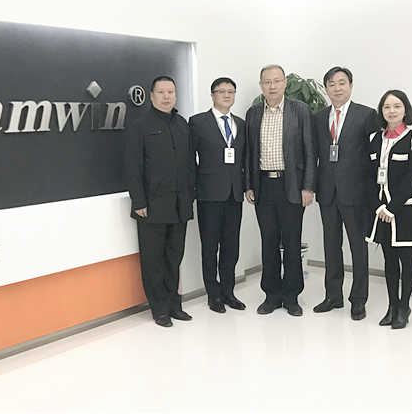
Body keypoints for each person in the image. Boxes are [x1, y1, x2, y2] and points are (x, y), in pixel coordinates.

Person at [244, 65, 316, 317]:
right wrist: (249, 184)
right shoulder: (253, 112)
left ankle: (292, 296)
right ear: (261, 85)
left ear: (285, 83)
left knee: (292, 242)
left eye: (277, 81)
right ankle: (271, 295)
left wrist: (308, 186)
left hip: (292, 185)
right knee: (269, 242)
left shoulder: (300, 110)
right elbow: (249, 152)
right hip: (264, 185)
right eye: (267, 82)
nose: (272, 86)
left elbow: (310, 151)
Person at [125, 76, 195, 328]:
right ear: (152, 96)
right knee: (153, 261)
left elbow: (190, 164)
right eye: (161, 92)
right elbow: (133, 167)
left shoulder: (182, 124)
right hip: (152, 206)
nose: (166, 97)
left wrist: (190, 197)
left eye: (170, 92)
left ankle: (175, 304)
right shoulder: (141, 126)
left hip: (179, 205)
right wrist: (138, 201)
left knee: (174, 258)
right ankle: (159, 309)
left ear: (176, 95)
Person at [312, 67, 379, 321]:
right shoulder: (319, 118)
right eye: (331, 84)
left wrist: (372, 192)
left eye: (342, 83)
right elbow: (315, 154)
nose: (337, 88)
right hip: (327, 191)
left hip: (356, 192)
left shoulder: (367, 115)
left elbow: (374, 157)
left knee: (358, 247)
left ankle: (358, 299)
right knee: (331, 246)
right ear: (326, 89)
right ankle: (333, 296)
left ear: (351, 86)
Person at [366, 90, 412, 330]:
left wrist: (392, 208)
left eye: (397, 106)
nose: (392, 111)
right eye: (387, 107)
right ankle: (392, 306)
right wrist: (379, 206)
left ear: (405, 109)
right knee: (389, 259)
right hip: (380, 211)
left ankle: (404, 307)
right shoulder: (374, 138)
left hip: (403, 210)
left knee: (406, 259)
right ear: (381, 111)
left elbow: (411, 178)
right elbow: (368, 176)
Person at [189, 77, 247, 313]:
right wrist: (197, 184)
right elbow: (189, 158)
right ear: (212, 95)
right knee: (210, 246)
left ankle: (228, 292)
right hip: (208, 194)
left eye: (230, 91)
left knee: (231, 246)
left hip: (234, 194)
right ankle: (213, 295)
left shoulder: (241, 124)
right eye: (221, 91)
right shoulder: (198, 122)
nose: (226, 95)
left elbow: (245, 159)